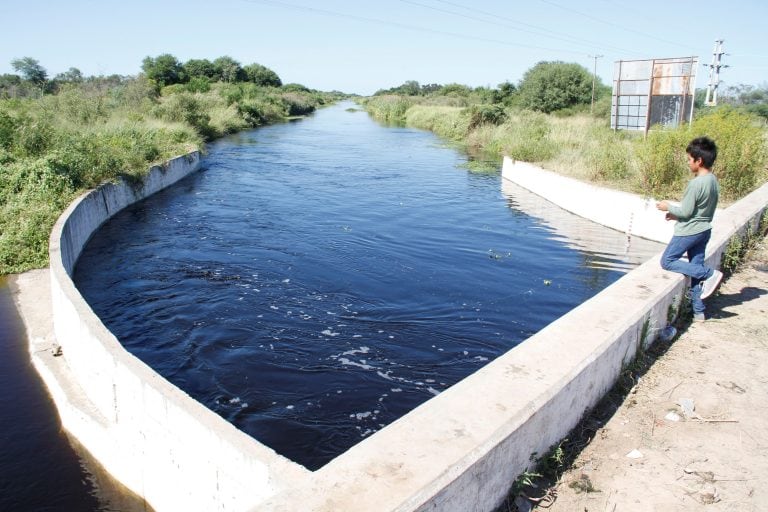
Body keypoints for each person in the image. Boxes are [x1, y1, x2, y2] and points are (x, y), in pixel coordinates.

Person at [656, 136, 723, 322]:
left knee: (667, 261)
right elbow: (699, 211)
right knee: (695, 268)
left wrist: (667, 207)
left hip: (689, 232)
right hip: (704, 230)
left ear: (698, 160)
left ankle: (710, 274)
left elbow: (686, 211)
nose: (688, 163)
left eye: (689, 159)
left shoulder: (695, 184)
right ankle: (699, 312)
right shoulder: (712, 181)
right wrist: (675, 215)